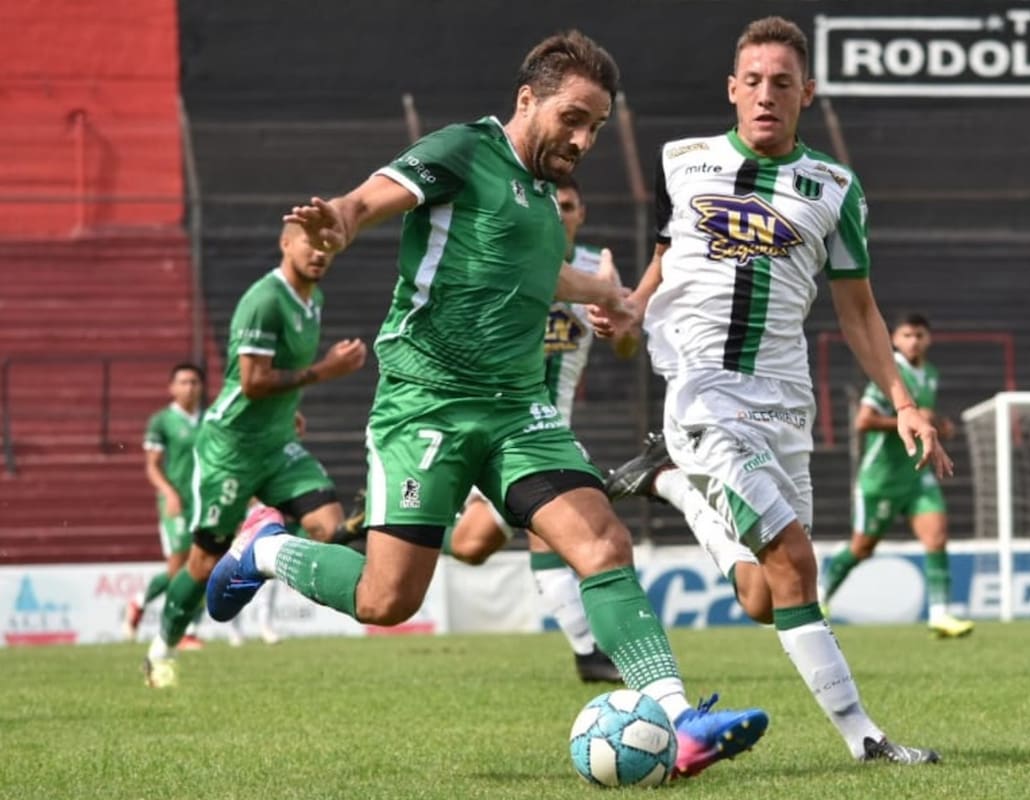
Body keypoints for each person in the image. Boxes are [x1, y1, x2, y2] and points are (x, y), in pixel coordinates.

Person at [206, 30, 767, 778]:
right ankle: (267, 550)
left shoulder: (543, 197)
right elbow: (371, 198)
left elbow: (539, 270)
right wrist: (338, 219)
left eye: (597, 126)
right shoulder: (463, 151)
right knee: (387, 598)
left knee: (602, 545)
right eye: (572, 117)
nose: (583, 138)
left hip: (517, 411)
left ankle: (679, 720)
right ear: (526, 99)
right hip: (425, 407)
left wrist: (610, 296)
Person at [590, 16, 952, 765]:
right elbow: (664, 263)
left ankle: (671, 486)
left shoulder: (836, 188)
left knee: (765, 595)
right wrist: (627, 311)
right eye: (751, 81)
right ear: (731, 88)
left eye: (781, 83)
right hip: (703, 399)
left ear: (806, 94)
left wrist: (904, 401)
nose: (765, 95)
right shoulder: (682, 161)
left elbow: (858, 310)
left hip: (786, 408)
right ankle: (867, 740)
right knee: (795, 561)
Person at [141, 222, 367, 687]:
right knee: (202, 565)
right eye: (310, 242)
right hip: (231, 448)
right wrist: (324, 372)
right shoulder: (264, 300)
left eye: (328, 244)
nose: (320, 252)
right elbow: (252, 382)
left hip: (277, 441)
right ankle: (160, 649)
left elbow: (281, 377)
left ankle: (259, 553)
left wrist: (292, 410)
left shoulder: (314, 301)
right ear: (285, 243)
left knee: (328, 527)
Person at [447, 177, 637, 684]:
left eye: (569, 205)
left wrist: (617, 324)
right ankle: (589, 654)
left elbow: (628, 346)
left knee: (499, 541)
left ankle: (588, 653)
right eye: (552, 205)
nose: (560, 212)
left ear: (581, 212)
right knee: (503, 541)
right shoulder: (518, 258)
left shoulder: (598, 269)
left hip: (553, 424)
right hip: (503, 422)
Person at [822, 313, 974, 637]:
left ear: (928, 339)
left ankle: (940, 615)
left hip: (916, 476)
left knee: (937, 537)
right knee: (862, 548)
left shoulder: (930, 373)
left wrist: (938, 427)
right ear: (894, 339)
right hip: (882, 479)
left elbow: (925, 420)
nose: (914, 341)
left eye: (920, 335)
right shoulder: (890, 373)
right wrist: (913, 420)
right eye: (907, 335)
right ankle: (820, 598)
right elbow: (863, 421)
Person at [123, 363, 207, 648]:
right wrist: (169, 493)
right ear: (171, 387)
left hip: (206, 502)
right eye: (183, 382)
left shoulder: (211, 419)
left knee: (205, 565)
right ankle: (152, 611)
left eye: (194, 382)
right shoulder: (162, 421)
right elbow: (153, 467)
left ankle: (189, 630)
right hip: (176, 504)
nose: (189, 387)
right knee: (178, 568)